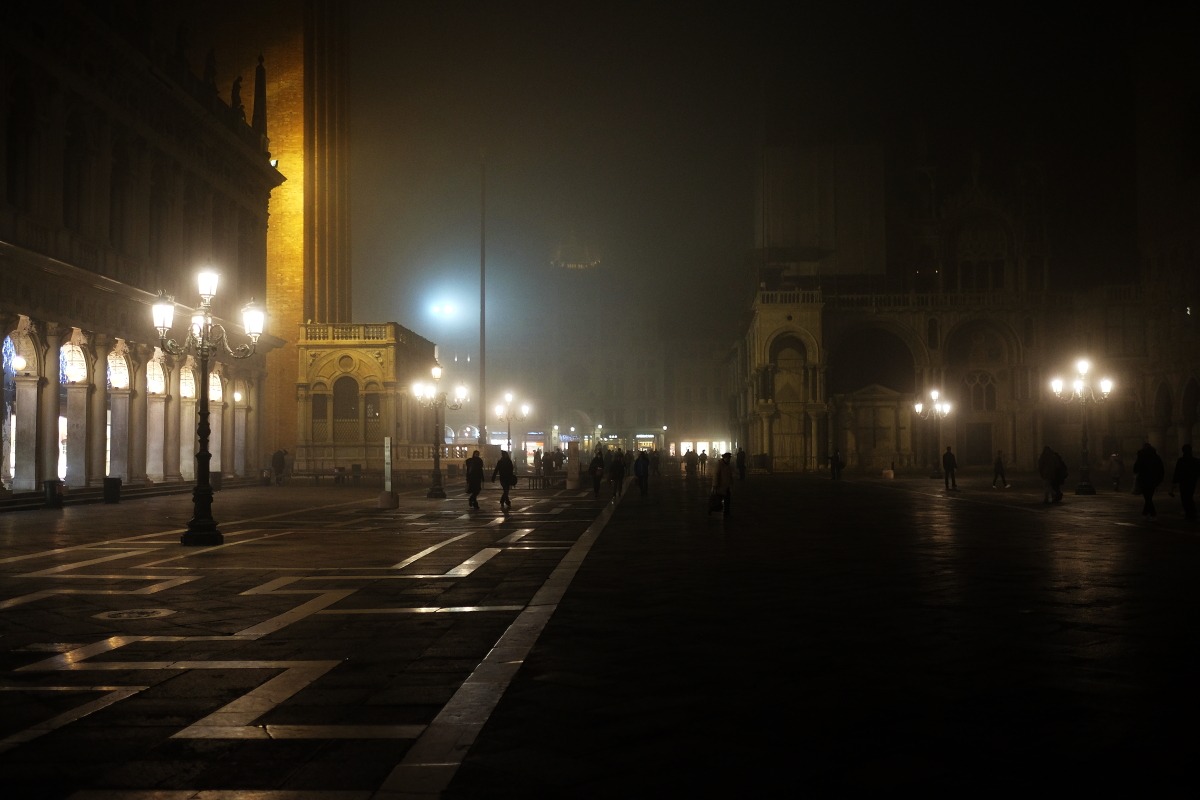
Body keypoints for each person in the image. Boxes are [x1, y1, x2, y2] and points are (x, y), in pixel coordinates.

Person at [1132, 442, 1165, 519]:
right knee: (1149, 496)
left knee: (1147, 497)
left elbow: (1136, 468)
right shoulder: (1156, 457)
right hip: (1153, 479)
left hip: (1143, 479)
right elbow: (1161, 469)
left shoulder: (1141, 456)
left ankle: (1151, 513)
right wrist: (1160, 479)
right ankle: (1146, 512)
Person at [1169, 444, 1199, 521]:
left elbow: (1177, 472)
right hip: (1192, 481)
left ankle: (1189, 512)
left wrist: (1174, 483)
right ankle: (1192, 512)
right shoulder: (1195, 461)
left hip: (1183, 482)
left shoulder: (1181, 460)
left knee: (1185, 498)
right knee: (1189, 496)